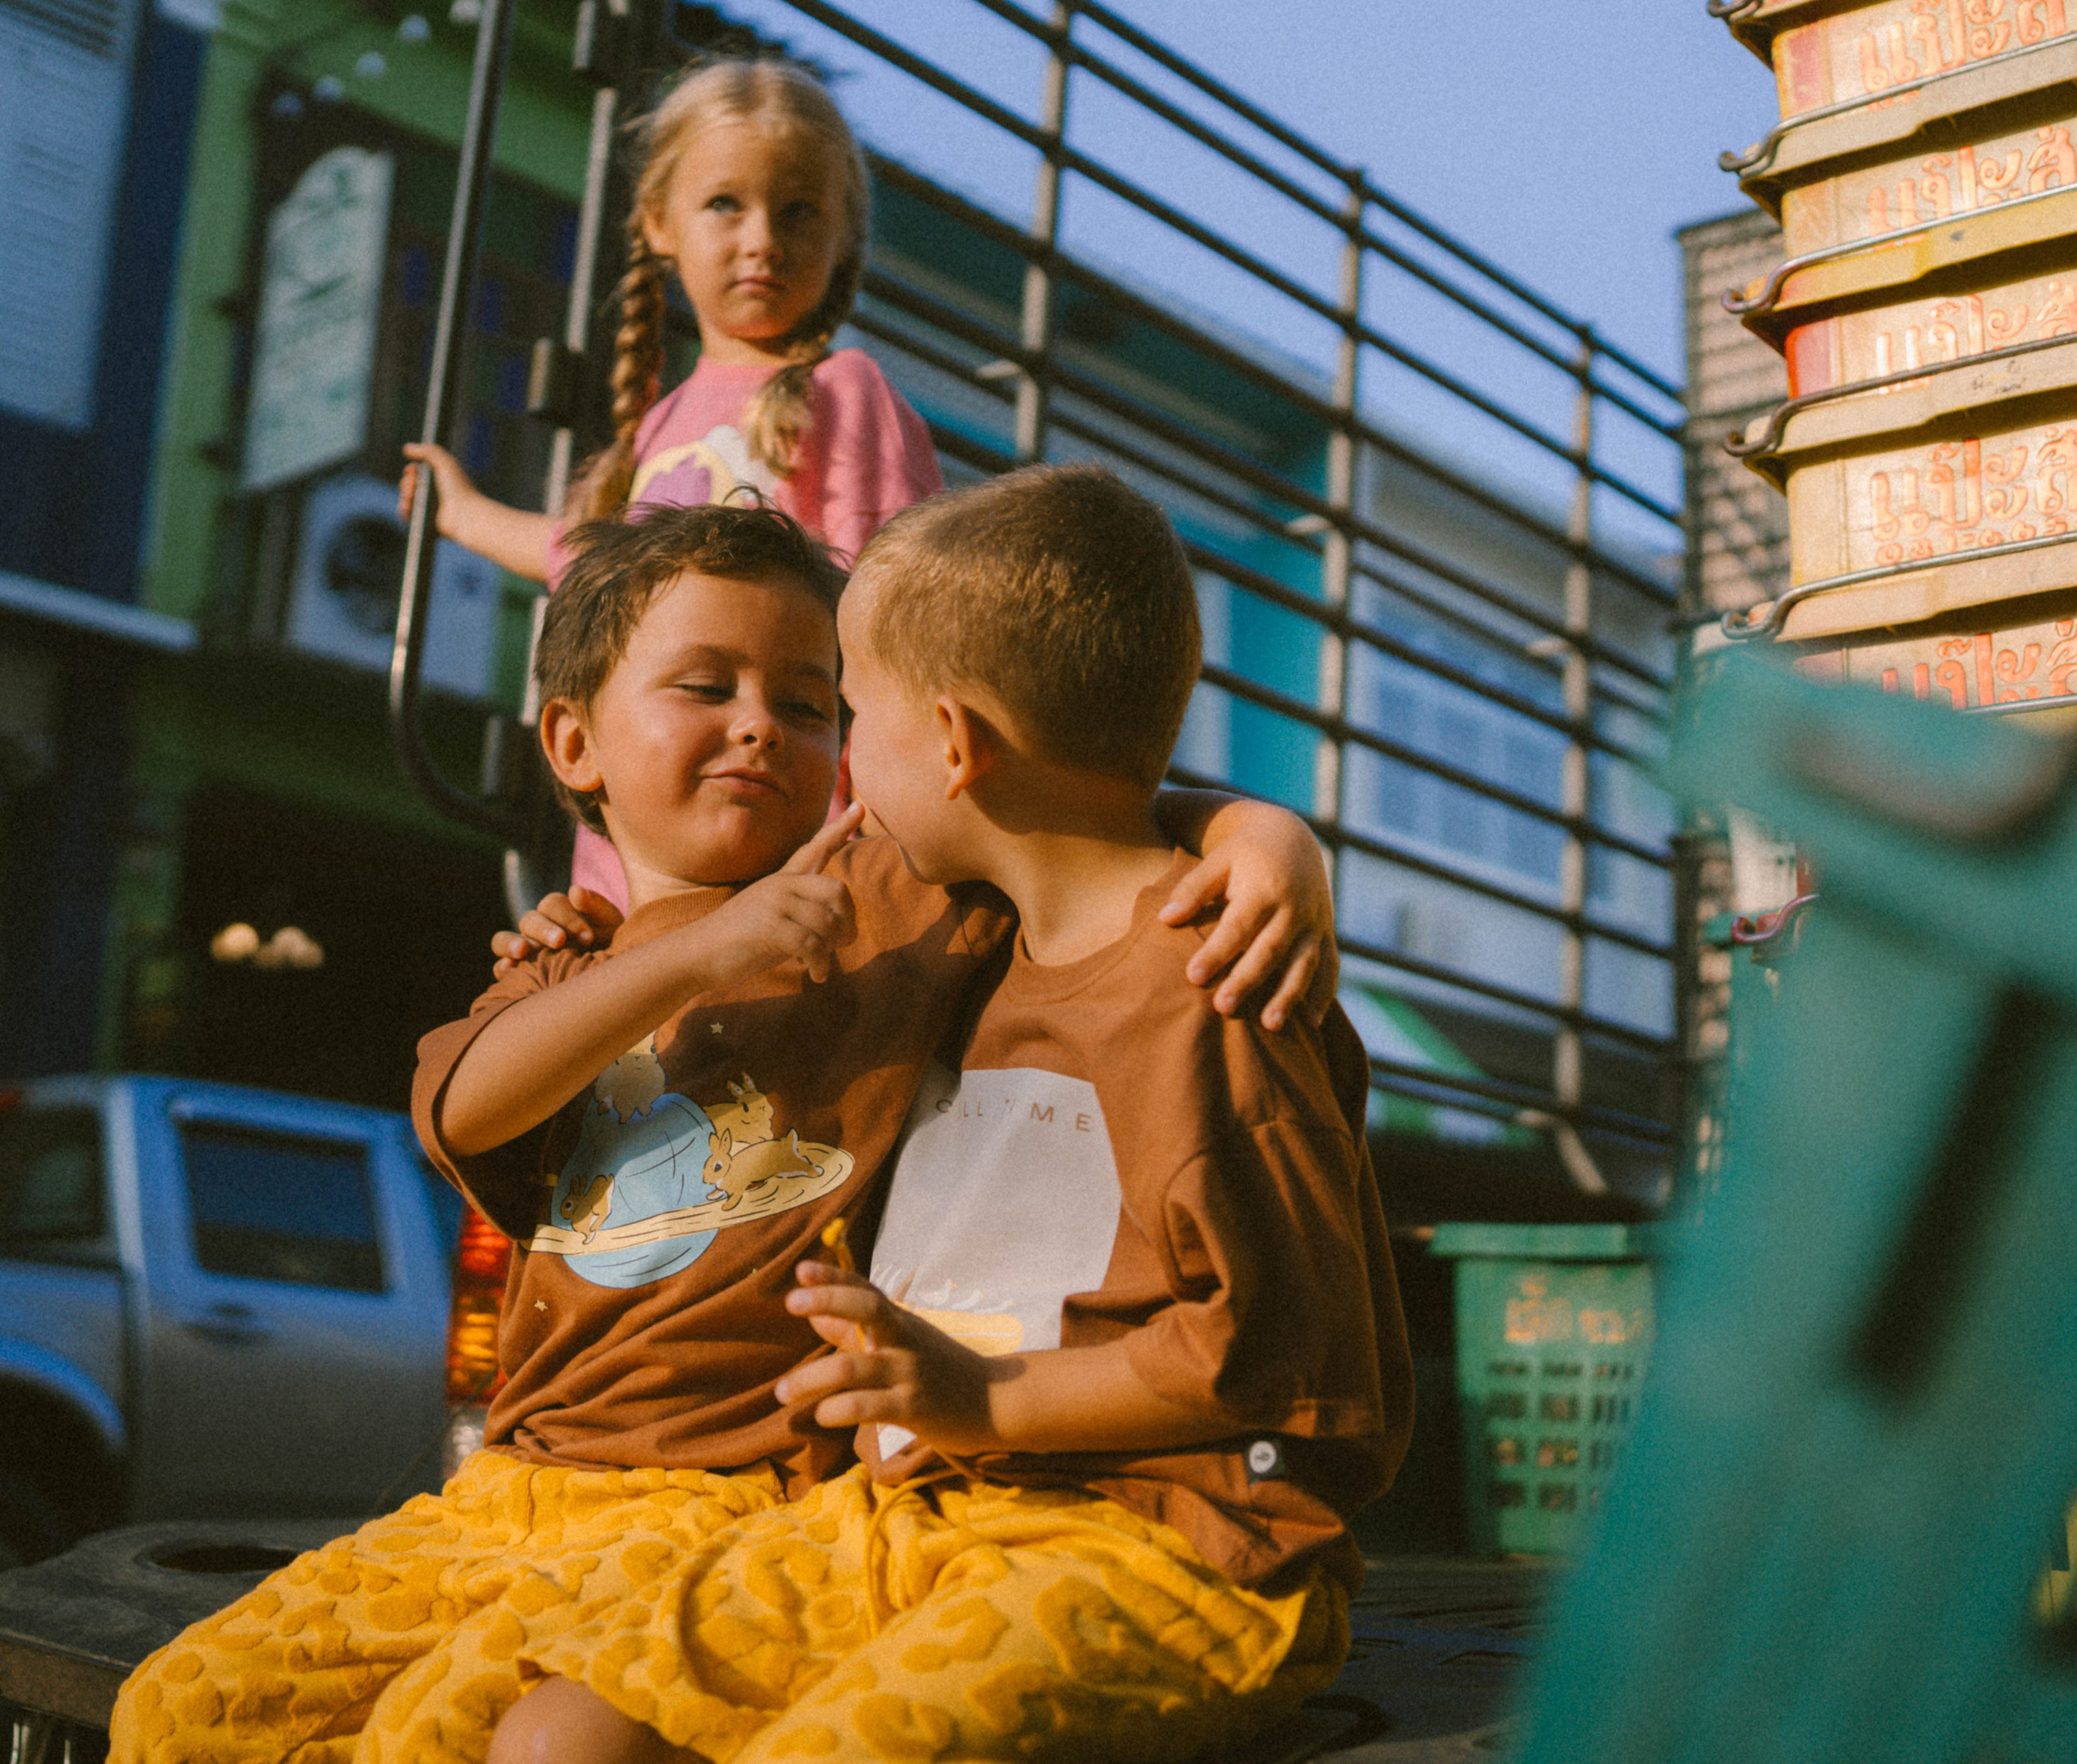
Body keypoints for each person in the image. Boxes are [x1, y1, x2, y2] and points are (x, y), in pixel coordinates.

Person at [107, 501, 1334, 1764]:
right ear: (572, 742)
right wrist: (688, 955)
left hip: (731, 1493)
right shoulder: (564, 967)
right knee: (179, 1709)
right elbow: (464, 1106)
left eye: (813, 703)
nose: (761, 723)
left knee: (447, 1736)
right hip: (511, 1490)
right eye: (706, 686)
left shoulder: (889, 898)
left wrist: (1262, 835)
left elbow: (1067, 782)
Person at [484, 466, 1412, 1764]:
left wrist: (987, 1401)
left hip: (1161, 1547)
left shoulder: (1212, 997)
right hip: (912, 1519)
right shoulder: (961, 941)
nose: (841, 769)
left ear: (955, 746)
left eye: (848, 712)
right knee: (555, 1738)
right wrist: (1263, 827)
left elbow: (1295, 1369)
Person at [401, 55, 942, 913]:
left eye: (799, 210)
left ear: (844, 235)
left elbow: (890, 622)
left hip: (783, 846)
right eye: (725, 203)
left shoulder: (844, 392)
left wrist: (864, 840)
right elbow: (579, 561)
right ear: (658, 221)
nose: (762, 238)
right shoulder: (652, 431)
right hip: (632, 870)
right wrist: (461, 514)